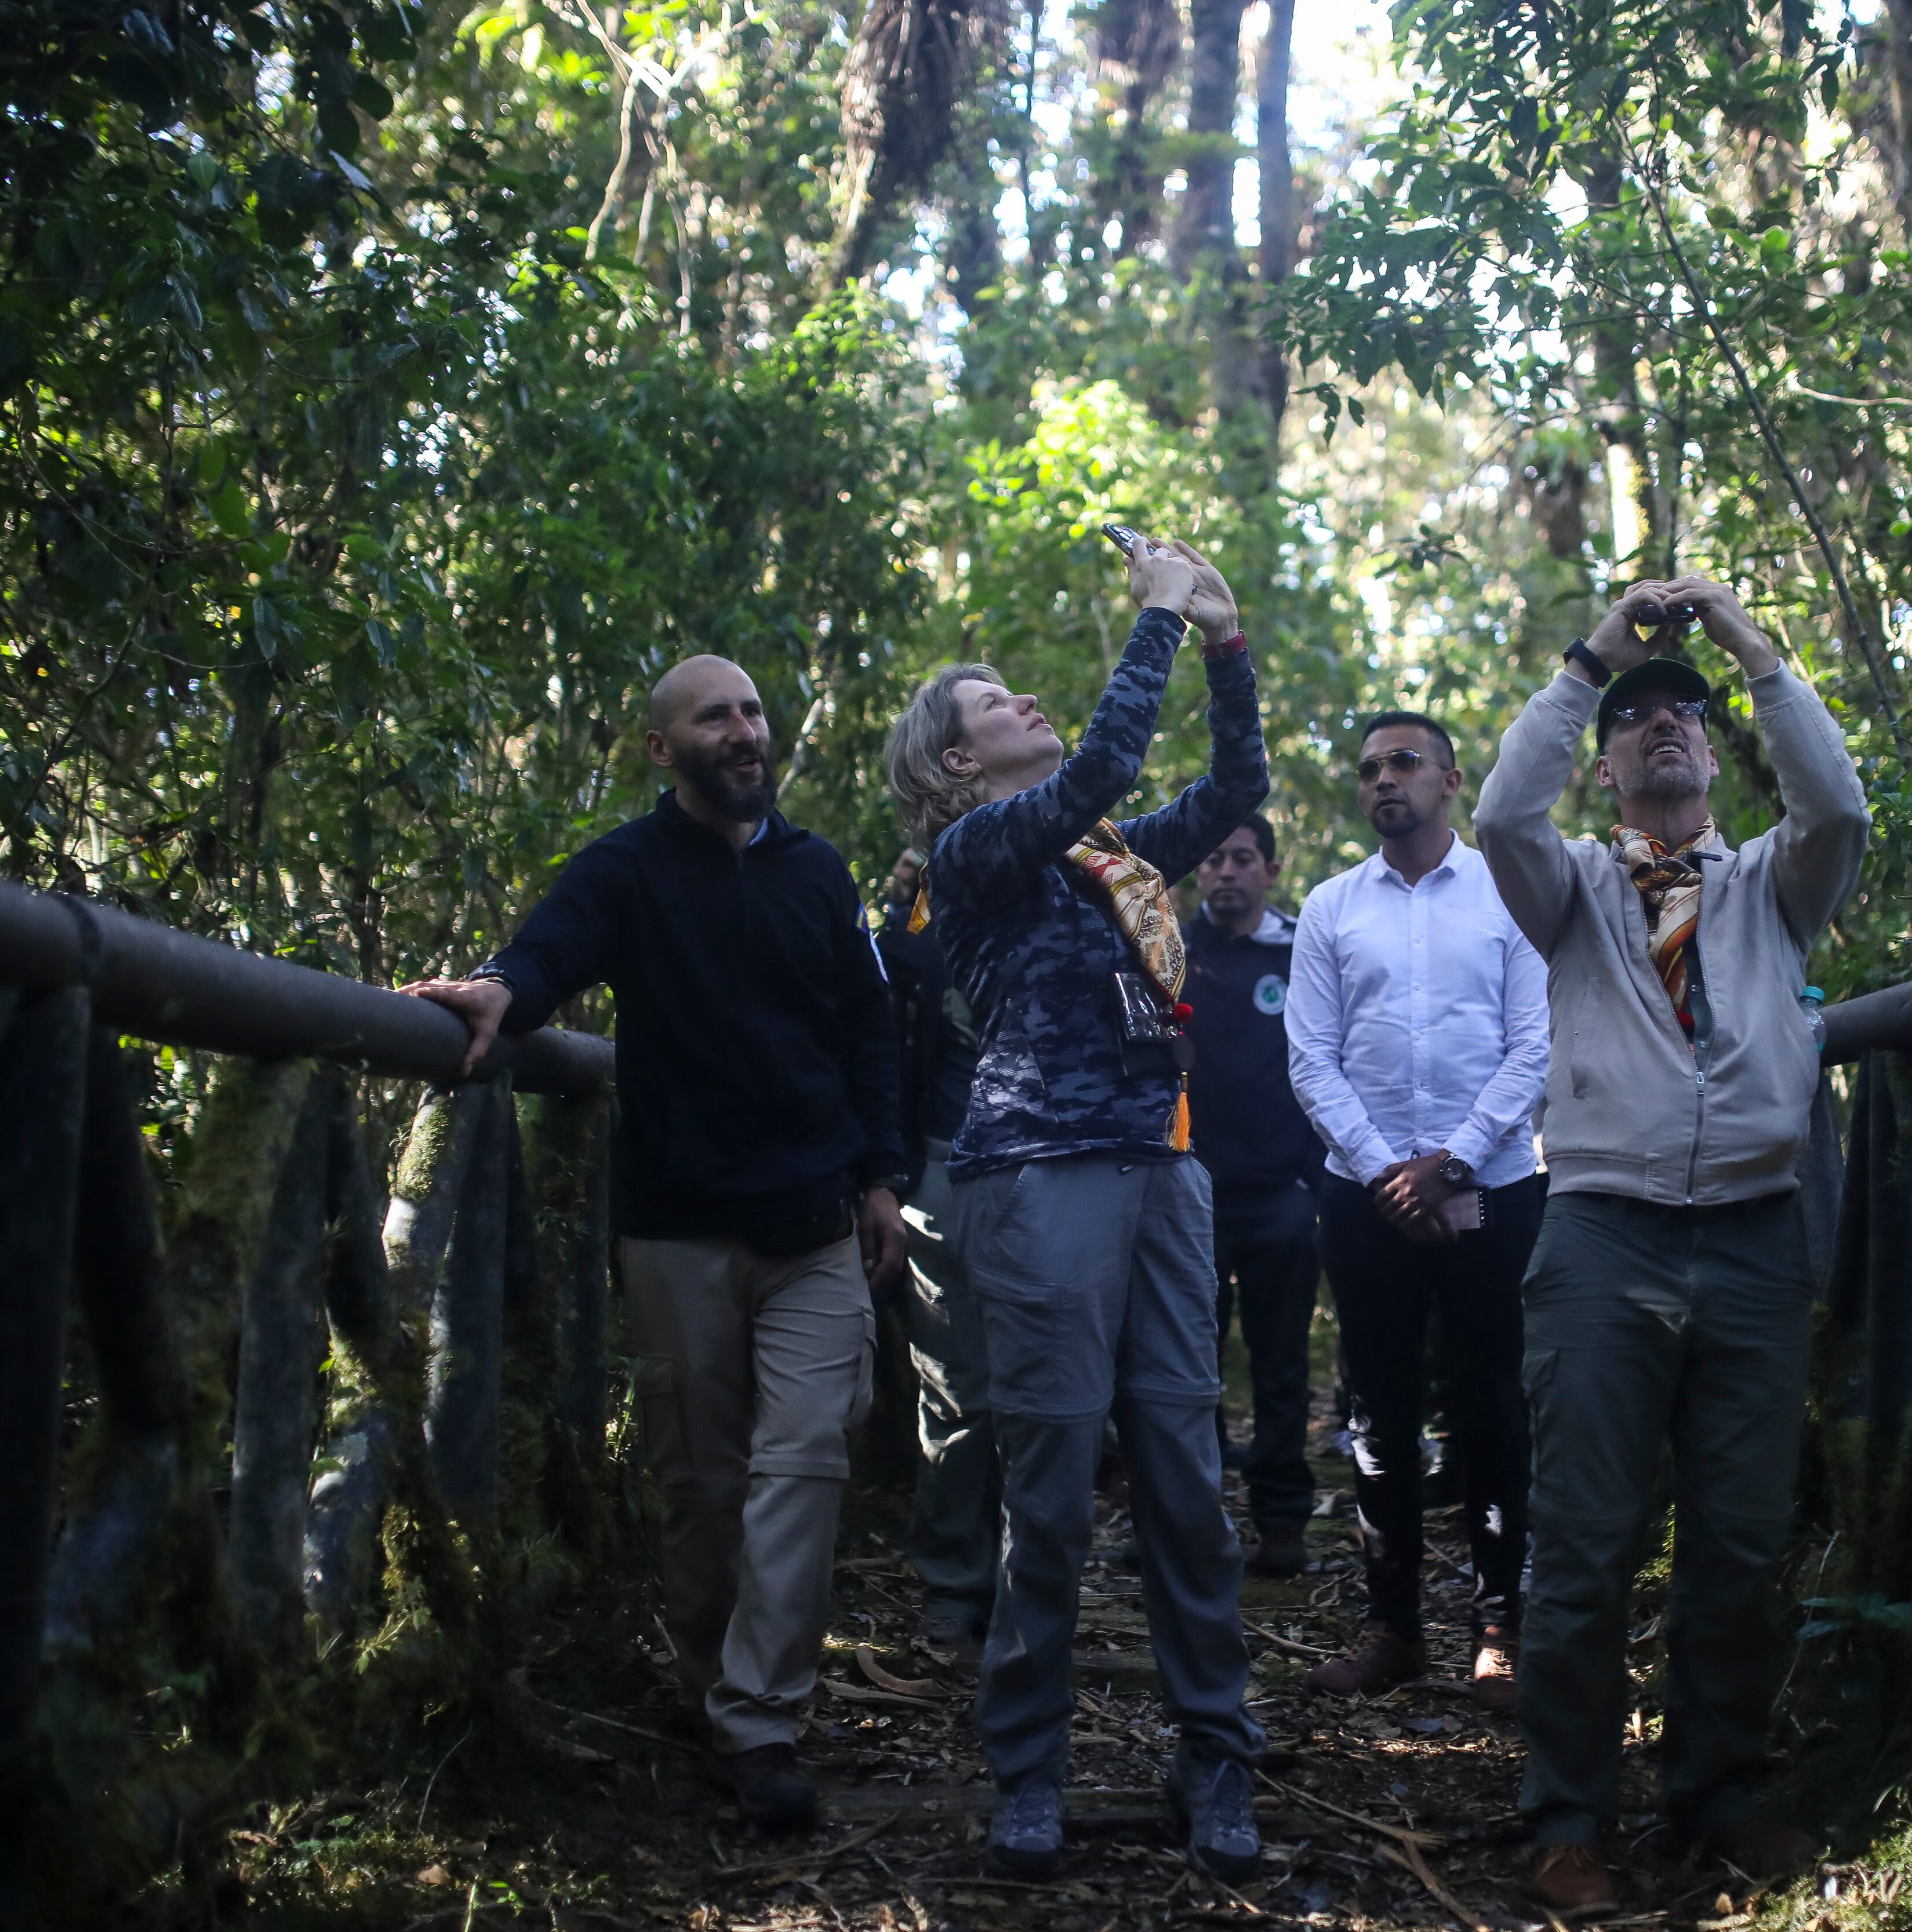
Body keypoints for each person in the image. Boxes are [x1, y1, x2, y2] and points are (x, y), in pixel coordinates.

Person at [403, 654, 911, 1837]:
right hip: (679, 1224)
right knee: (699, 1484)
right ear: (662, 747)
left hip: (815, 1224)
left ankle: (760, 1719)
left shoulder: (819, 870)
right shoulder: (625, 869)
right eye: (714, 716)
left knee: (804, 1465)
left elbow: (866, 1029)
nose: (743, 732)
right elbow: (545, 953)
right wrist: (493, 992)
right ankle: (709, 1682)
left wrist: (882, 1174)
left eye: (751, 713)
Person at [1473, 579, 1870, 1911]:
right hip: (1601, 1233)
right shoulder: (1572, 888)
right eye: (1636, 720)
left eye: (1680, 720)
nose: (1659, 730)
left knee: (1741, 1544)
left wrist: (1750, 645)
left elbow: (1840, 806)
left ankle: (1716, 1795)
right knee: (1583, 1539)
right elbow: (1497, 813)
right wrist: (1594, 654)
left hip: (1754, 1236)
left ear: (1710, 757)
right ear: (1608, 762)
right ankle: (1568, 1813)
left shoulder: (1770, 881)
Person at [881, 534, 1268, 1884]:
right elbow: (1103, 760)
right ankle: (1028, 1769)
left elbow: (1231, 790)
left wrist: (1221, 641)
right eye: (995, 705)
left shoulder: (1110, 858)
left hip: (1165, 1174)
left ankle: (1216, 1757)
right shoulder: (979, 849)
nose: (1024, 704)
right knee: (1046, 1494)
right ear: (955, 761)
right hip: (1037, 1179)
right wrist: (1154, 618)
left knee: (1183, 1481)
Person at [1284, 709, 1550, 1714]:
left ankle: (1500, 1629)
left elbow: (1535, 1041)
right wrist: (1387, 1171)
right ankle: (1391, 1627)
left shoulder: (1510, 891)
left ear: (1449, 777)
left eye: (1403, 763)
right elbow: (1312, 1056)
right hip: (1363, 1199)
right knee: (1379, 1417)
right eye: (1368, 770)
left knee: (1493, 1407)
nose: (1382, 780)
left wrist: (1454, 1161)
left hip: (1498, 1187)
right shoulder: (1330, 908)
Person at [1182, 813, 1326, 1579]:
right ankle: (1190, 1523)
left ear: (1270, 870)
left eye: (1244, 858)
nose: (1228, 870)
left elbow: (1331, 1055)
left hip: (1281, 1195)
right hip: (1190, 1195)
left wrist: (1310, 1175)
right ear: (1197, 872)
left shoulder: (1302, 947)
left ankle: (1281, 1521)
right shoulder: (1166, 949)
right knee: (1185, 1367)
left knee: (1280, 1365)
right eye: (1214, 858)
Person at [874, 849, 998, 1657]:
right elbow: (879, 1035)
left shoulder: (1077, 860)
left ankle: (1038, 1584)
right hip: (946, 1154)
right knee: (956, 1385)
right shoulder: (919, 897)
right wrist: (882, 1179)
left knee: (1055, 1387)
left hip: (1060, 1155)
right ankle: (955, 1583)